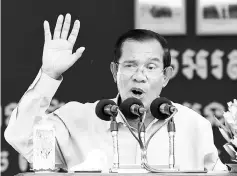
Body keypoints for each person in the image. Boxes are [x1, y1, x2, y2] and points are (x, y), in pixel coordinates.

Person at [4, 13, 227, 172]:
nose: (140, 75)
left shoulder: (193, 125)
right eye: (130, 65)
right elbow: (21, 137)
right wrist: (48, 74)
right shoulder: (78, 118)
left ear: (166, 75)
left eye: (150, 67)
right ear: (114, 71)